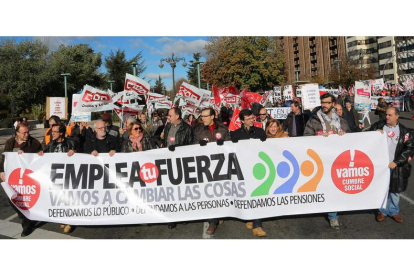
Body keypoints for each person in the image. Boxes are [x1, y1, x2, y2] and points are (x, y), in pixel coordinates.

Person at [304, 93, 350, 229]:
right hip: (320, 160)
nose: (324, 105)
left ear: (333, 104)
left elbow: (352, 138)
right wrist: (318, 137)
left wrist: (344, 135)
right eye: (322, 102)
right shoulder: (313, 120)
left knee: (334, 188)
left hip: (338, 160)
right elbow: (306, 137)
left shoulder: (341, 121)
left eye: (327, 103)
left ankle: (333, 216)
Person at [370, 107, 414, 223]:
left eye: (389, 115)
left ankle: (394, 211)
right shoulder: (378, 125)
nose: (386, 117)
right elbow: (366, 138)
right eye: (386, 114)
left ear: (397, 116)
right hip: (381, 165)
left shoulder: (405, 131)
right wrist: (373, 134)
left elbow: (409, 149)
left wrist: (396, 162)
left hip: (396, 166)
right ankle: (382, 211)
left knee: (395, 190)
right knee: (382, 189)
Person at [0, 122, 43, 237]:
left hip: (28, 179)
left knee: (27, 201)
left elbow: (40, 159)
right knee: (12, 199)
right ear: (17, 133)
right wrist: (1, 171)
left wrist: (28, 155)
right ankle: (25, 216)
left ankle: (26, 226)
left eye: (28, 132)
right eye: (24, 133)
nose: (27, 135)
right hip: (13, 177)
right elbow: (4, 158)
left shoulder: (34, 142)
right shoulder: (10, 142)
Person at [193, 107, 230, 235]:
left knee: (220, 192)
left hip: (220, 166)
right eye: (201, 116)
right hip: (206, 167)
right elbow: (193, 148)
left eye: (205, 116)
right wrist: (199, 146)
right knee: (210, 193)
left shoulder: (223, 129)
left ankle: (220, 214)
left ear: (212, 116)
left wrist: (224, 144)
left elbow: (230, 145)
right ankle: (212, 222)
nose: (202, 118)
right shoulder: (198, 131)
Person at [231, 109, 267, 237]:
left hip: (257, 168)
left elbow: (268, 147)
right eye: (248, 119)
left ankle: (257, 225)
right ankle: (249, 218)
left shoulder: (260, 132)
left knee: (256, 195)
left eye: (253, 118)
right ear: (242, 121)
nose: (252, 120)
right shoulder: (235, 134)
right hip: (242, 169)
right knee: (246, 195)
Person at [42, 123, 78, 234]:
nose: (52, 134)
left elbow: (83, 156)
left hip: (69, 175)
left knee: (69, 198)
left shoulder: (71, 142)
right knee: (59, 198)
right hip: (56, 176)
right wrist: (40, 154)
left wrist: (75, 152)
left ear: (61, 132)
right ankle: (63, 218)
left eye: (55, 132)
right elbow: (45, 156)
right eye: (52, 131)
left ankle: (70, 221)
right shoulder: (51, 144)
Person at [162, 107, 193, 229]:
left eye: (170, 115)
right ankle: (173, 217)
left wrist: (178, 149)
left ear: (177, 116)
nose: (168, 118)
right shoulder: (168, 126)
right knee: (171, 191)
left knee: (182, 191)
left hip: (181, 163)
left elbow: (190, 147)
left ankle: (183, 215)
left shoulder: (187, 129)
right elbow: (165, 141)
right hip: (168, 162)